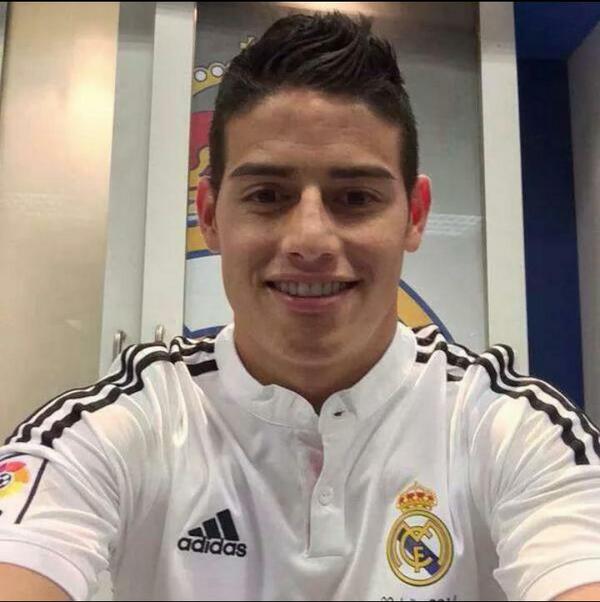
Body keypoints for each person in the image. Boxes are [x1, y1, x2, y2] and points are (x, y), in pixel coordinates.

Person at [0, 11, 599, 602]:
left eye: (355, 197)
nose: (310, 240)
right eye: (267, 195)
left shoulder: (512, 431)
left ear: (414, 216)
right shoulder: (124, 425)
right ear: (209, 215)